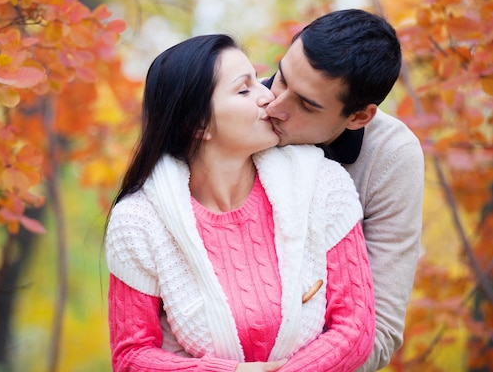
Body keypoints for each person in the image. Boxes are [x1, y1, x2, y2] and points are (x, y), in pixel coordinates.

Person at [105, 34, 376, 371]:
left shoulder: (320, 183)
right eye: (244, 89)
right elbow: (131, 356)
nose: (269, 97)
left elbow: (355, 327)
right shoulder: (139, 221)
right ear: (198, 123)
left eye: (259, 80)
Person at [264, 9, 425, 371]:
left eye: (305, 104)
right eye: (280, 77)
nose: (274, 105)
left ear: (358, 117)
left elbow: (378, 330)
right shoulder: (228, 111)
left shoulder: (392, 157)